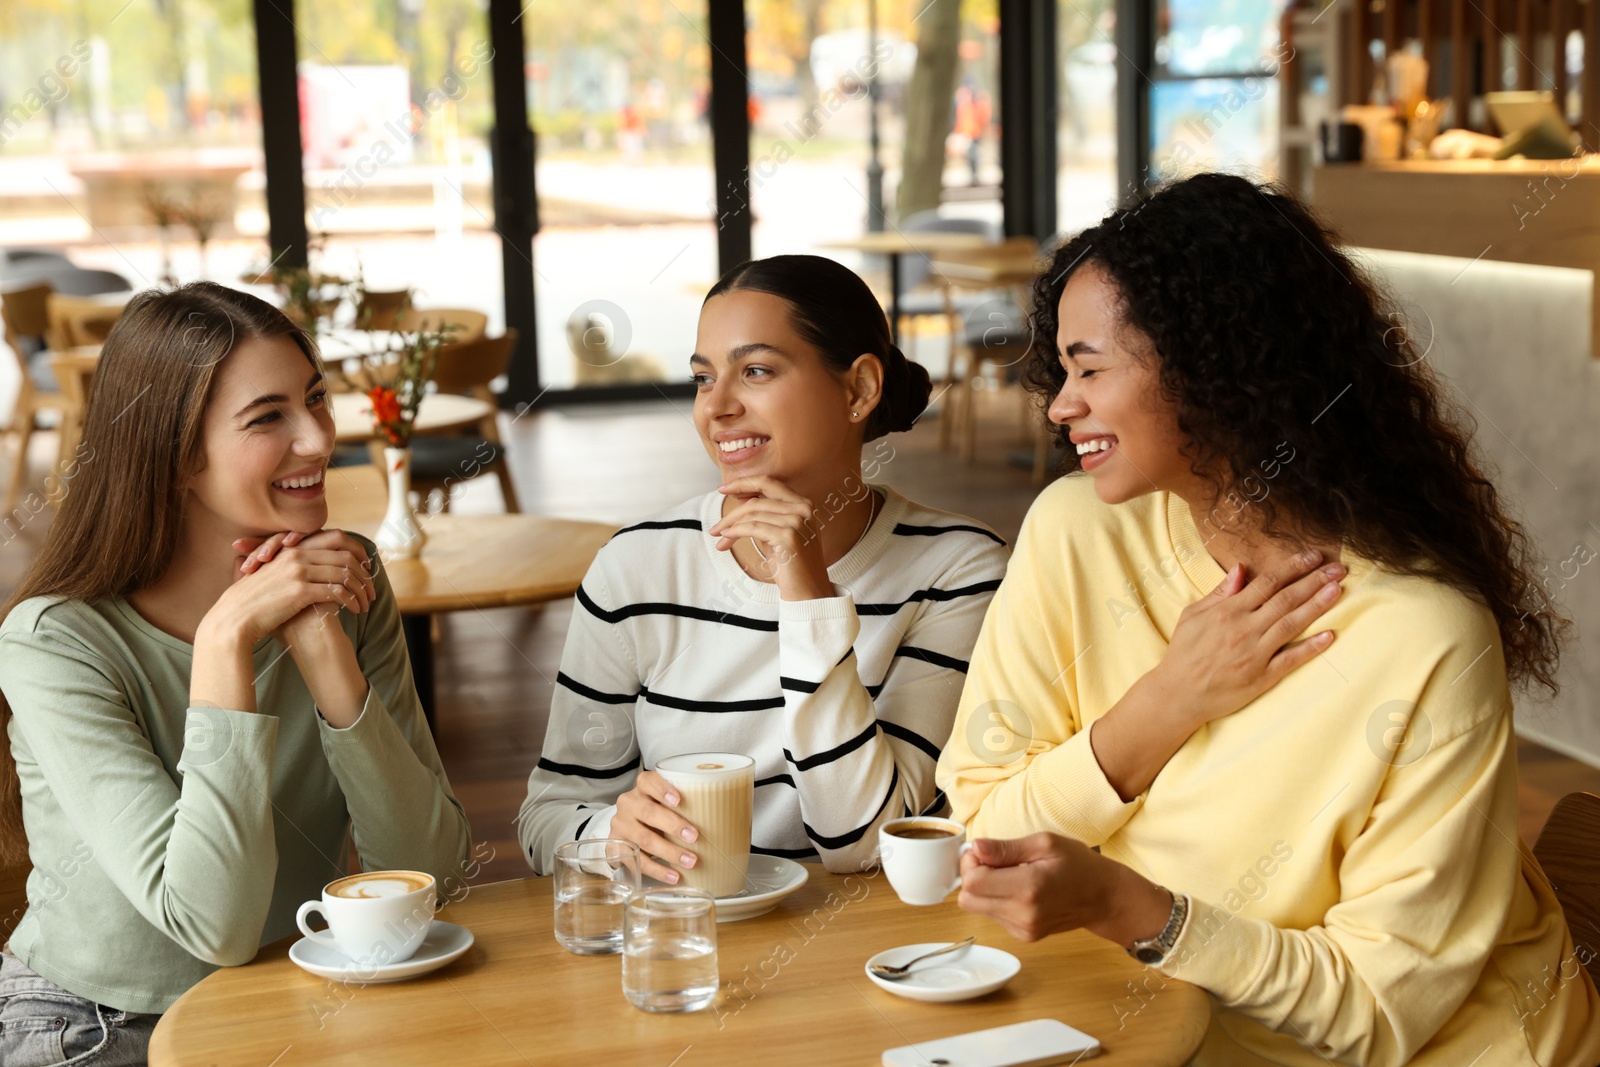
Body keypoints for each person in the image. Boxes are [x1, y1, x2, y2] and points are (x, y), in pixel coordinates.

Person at [936, 173, 1600, 1066]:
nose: (1061, 404)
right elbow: (978, 827)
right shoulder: (1076, 530)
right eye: (1062, 370)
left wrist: (1131, 907)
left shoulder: (1423, 634)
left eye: (1090, 368)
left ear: (1215, 368)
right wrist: (1168, 700)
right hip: (1156, 1018)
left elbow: (1376, 1009)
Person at [0, 282, 471, 1065]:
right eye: (268, 418)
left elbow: (436, 875)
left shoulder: (348, 581)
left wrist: (324, 649)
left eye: (316, 399)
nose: (319, 438)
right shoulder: (54, 641)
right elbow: (212, 923)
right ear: (177, 454)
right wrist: (225, 641)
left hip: (293, 991)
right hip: (99, 1027)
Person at [519, 254, 1009, 881]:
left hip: (867, 955)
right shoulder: (636, 568)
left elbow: (863, 843)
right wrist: (610, 833)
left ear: (859, 388)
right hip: (685, 943)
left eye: (754, 371)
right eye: (702, 379)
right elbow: (548, 815)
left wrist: (808, 601)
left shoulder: (958, 571)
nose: (716, 407)